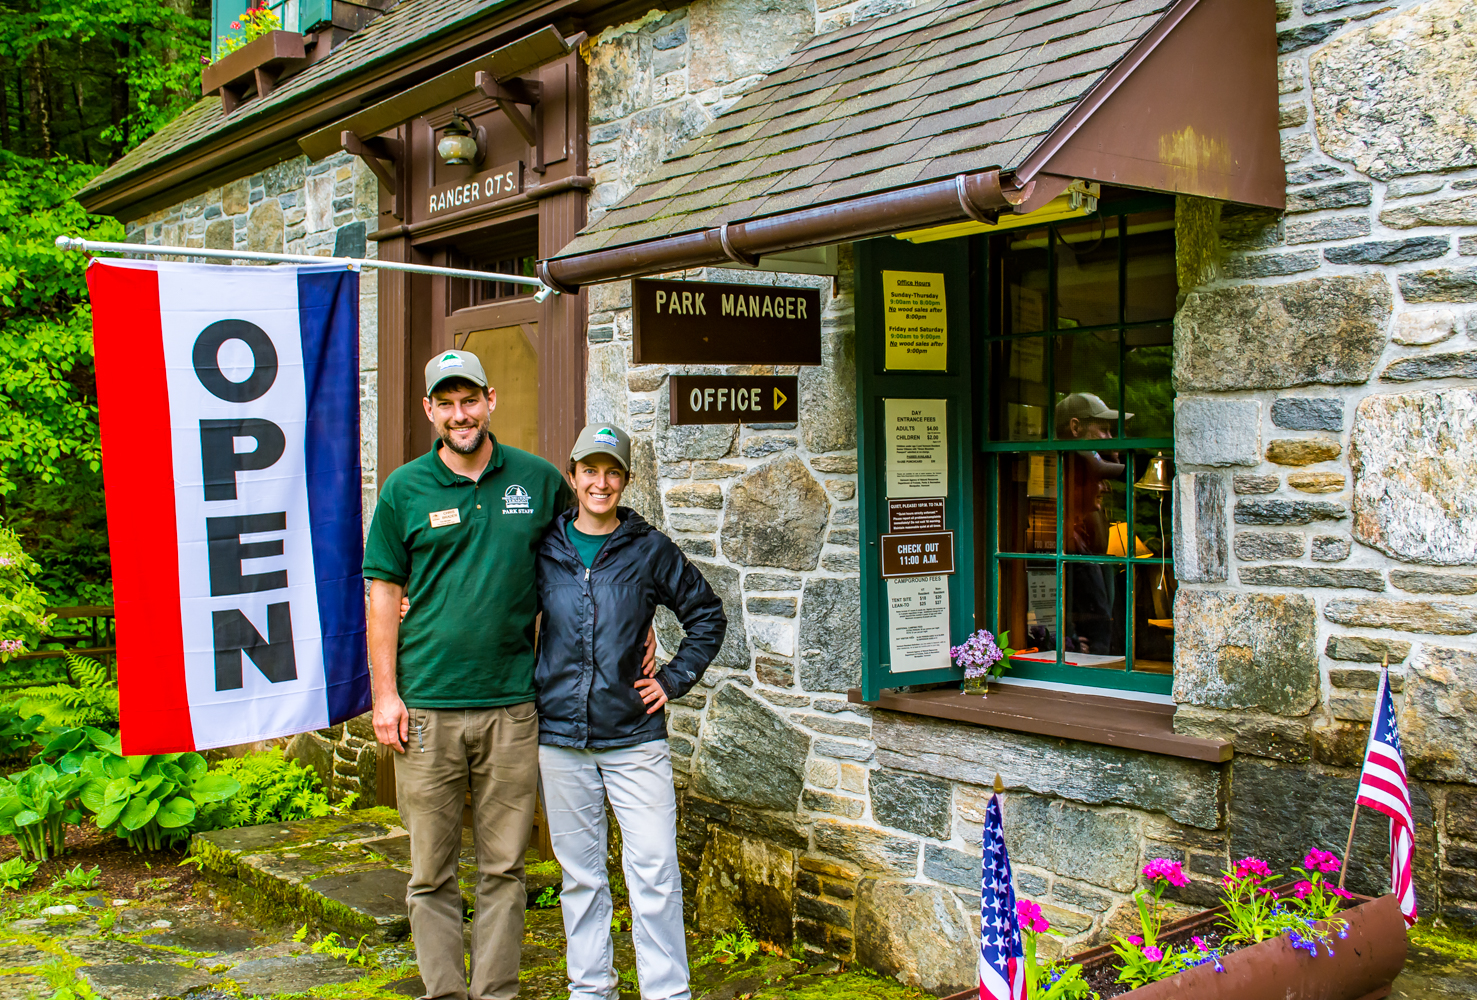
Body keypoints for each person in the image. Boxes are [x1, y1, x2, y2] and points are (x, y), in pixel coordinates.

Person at [361, 352, 654, 1000]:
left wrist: (635, 615)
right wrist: (384, 695)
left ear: (490, 400)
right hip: (426, 710)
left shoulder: (537, 480)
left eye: (470, 399)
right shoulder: (403, 491)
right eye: (447, 402)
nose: (460, 413)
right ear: (429, 410)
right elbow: (382, 593)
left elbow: (591, 543)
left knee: (503, 868)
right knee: (431, 872)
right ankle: (444, 992)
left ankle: (495, 993)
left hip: (514, 709)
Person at [535, 423, 725, 1000]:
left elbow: (707, 616)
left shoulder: (649, 549)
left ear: (626, 480)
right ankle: (591, 989)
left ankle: (666, 992)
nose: (600, 482)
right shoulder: (545, 548)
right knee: (581, 878)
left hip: (634, 738)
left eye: (611, 471)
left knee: (655, 874)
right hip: (560, 739)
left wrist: (671, 679)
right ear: (572, 477)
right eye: (589, 470)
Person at [1055, 392, 1129, 658]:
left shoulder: (1088, 527)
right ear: (1076, 427)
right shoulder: (1079, 460)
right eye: (1105, 431)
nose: (1111, 439)